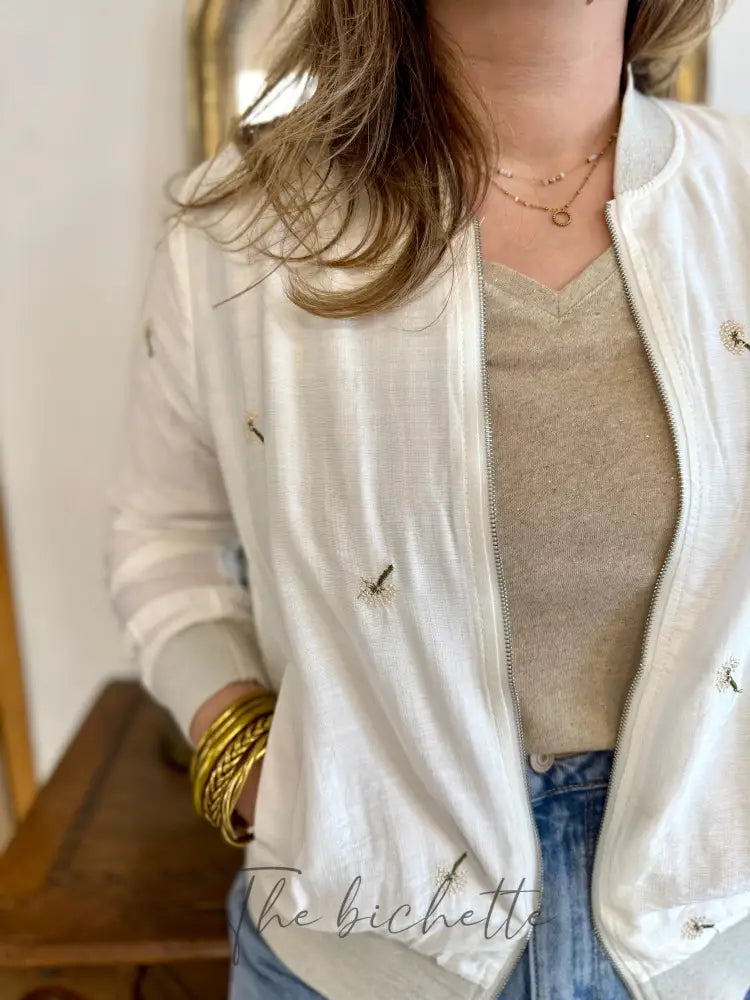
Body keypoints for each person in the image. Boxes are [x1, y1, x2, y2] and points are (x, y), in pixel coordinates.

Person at [103, 0, 750, 997]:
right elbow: (166, 541)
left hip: (706, 942)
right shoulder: (238, 234)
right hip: (356, 945)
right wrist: (255, 764)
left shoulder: (737, 197)